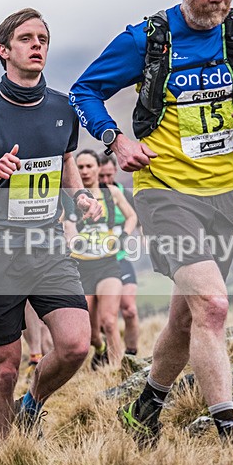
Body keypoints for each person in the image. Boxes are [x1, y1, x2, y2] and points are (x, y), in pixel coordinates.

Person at [70, 0, 233, 446]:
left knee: (189, 316)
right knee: (213, 305)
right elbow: (84, 90)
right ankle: (230, 436)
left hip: (223, 192)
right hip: (164, 190)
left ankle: (145, 408)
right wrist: (115, 140)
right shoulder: (147, 38)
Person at [0, 8, 102, 440]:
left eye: (43, 39)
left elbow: (65, 162)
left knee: (75, 346)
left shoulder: (63, 108)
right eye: (27, 38)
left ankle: (32, 405)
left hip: (48, 246)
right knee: (5, 369)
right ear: (4, 50)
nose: (37, 46)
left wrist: (81, 195)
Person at [64, 150, 136, 370]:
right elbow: (64, 223)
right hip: (81, 267)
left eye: (89, 166)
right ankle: (100, 348)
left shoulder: (112, 192)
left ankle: (117, 371)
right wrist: (70, 236)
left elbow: (132, 215)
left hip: (107, 264)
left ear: (98, 168)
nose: (85, 171)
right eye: (81, 167)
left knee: (110, 321)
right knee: (91, 332)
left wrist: (123, 236)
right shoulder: (69, 197)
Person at [99, 154, 141, 358]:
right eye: (102, 176)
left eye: (109, 175)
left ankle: (131, 355)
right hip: (96, 263)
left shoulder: (123, 193)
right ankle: (104, 352)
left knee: (130, 309)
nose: (105, 180)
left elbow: (138, 219)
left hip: (120, 258)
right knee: (104, 319)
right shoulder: (90, 195)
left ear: (115, 171)